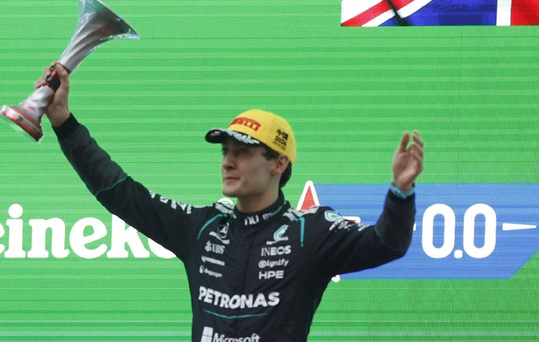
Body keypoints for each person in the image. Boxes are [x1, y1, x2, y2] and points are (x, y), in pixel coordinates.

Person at [36, 63, 424, 342]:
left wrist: (400, 192)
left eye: (243, 152)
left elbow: (386, 243)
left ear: (279, 164)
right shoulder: (201, 228)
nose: (227, 161)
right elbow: (121, 193)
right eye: (225, 151)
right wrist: (64, 123)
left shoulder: (311, 232)